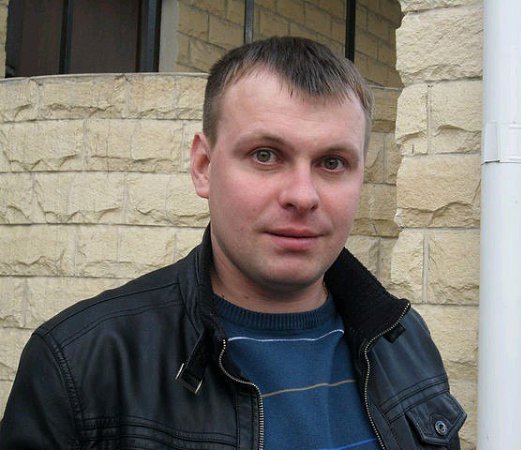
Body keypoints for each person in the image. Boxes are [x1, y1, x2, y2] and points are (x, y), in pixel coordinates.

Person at [0, 37, 465, 449]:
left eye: (332, 162)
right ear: (203, 166)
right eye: (266, 155)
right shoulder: (81, 365)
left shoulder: (404, 341)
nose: (303, 195)